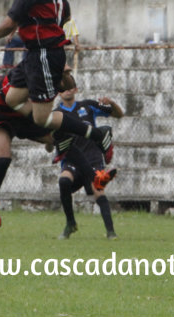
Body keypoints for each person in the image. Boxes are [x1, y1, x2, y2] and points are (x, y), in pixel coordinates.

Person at [0, 0, 113, 191]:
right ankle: (60, 135)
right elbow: (65, 17)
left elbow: (11, 20)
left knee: (42, 118)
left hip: (43, 53)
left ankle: (98, 135)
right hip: (36, 54)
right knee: (11, 98)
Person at [0, 68, 116, 228]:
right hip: (1, 119)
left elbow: (67, 86)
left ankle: (95, 178)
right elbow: (2, 103)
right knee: (3, 160)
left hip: (23, 118)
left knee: (62, 140)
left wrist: (64, 73)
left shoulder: (45, 78)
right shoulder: (7, 85)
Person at [55, 85, 124, 240]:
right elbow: (49, 144)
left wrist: (111, 103)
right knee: (64, 180)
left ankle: (111, 232)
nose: (66, 90)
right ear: (58, 92)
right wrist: (52, 142)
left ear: (75, 89)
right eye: (62, 87)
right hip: (72, 159)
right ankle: (70, 224)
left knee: (98, 191)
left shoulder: (88, 106)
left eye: (69, 87)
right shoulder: (56, 115)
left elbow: (119, 115)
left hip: (92, 158)